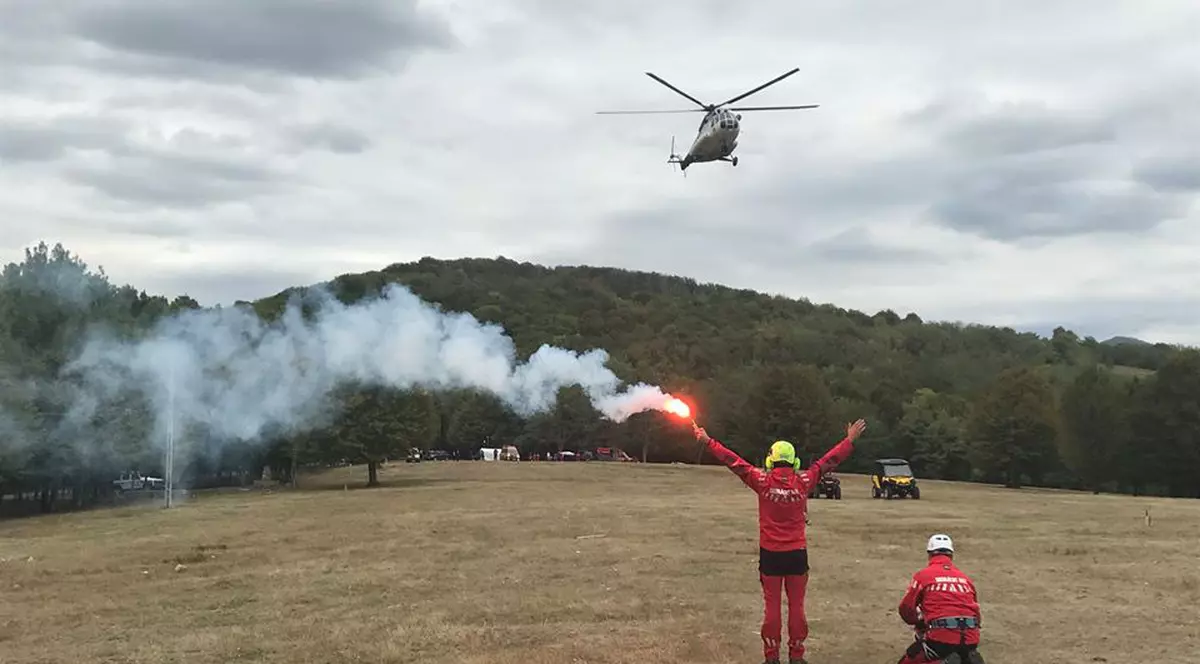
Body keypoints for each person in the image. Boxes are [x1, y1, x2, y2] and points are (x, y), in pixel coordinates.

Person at [694, 418, 867, 664]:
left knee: (772, 607)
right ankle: (797, 655)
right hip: (797, 554)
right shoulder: (804, 481)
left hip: (771, 555)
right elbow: (828, 461)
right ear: (794, 461)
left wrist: (708, 441)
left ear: (770, 460)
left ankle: (772, 656)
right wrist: (849, 440)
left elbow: (734, 462)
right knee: (797, 607)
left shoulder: (761, 481)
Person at [895, 534, 985, 664]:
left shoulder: (923, 576)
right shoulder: (965, 579)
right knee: (962, 653)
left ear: (930, 554)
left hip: (941, 638)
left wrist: (919, 622)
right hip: (971, 639)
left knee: (910, 659)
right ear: (951, 555)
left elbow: (906, 609)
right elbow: (976, 615)